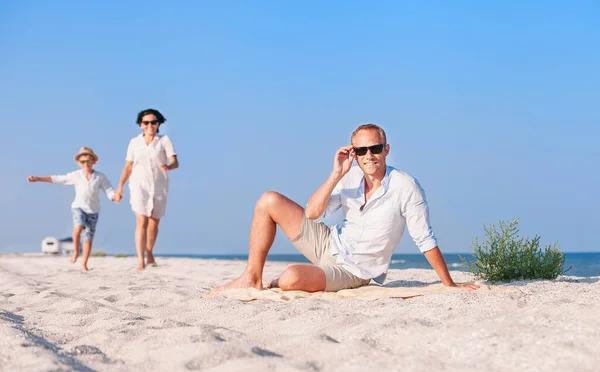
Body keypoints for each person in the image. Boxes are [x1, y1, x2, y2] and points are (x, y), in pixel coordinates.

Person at [214, 124, 478, 292]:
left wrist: (449, 284)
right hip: (329, 244)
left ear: (386, 150)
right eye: (361, 151)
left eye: (375, 148)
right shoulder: (348, 176)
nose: (368, 156)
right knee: (268, 200)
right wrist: (336, 174)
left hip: (354, 270)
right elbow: (313, 214)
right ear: (354, 153)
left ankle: (291, 278)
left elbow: (424, 238)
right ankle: (251, 277)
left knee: (289, 279)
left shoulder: (406, 186)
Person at [27, 146, 117, 271]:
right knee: (78, 228)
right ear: (79, 163)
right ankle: (75, 251)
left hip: (94, 210)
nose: (86, 164)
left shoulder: (100, 177)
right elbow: (59, 179)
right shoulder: (76, 175)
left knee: (88, 237)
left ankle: (84, 263)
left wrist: (114, 197)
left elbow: (109, 190)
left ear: (94, 162)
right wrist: (39, 178)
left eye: (89, 161)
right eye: (83, 161)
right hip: (78, 207)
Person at [113, 109, 179, 272]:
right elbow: (128, 166)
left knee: (153, 225)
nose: (150, 125)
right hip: (138, 186)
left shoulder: (164, 140)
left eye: (153, 122)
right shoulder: (134, 142)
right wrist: (120, 186)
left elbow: (175, 161)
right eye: (146, 123)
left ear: (158, 124)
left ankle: (149, 251)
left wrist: (169, 166)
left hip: (159, 187)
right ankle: (140, 260)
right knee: (141, 222)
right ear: (141, 125)